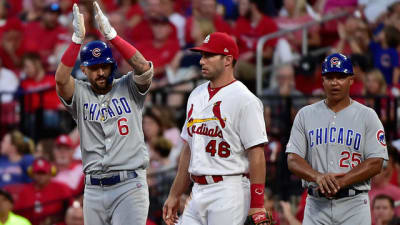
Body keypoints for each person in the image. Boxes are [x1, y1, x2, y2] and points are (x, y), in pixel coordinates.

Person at [55, 2, 153, 225]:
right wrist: (75, 41)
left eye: (105, 66)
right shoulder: (80, 93)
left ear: (112, 66)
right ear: (84, 70)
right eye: (94, 67)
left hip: (129, 185)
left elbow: (144, 67)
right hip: (93, 189)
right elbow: (61, 80)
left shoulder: (128, 86)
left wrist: (113, 36)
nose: (100, 72)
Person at [162, 32, 271, 225]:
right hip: (197, 191)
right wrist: (174, 194)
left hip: (229, 189)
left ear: (228, 60)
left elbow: (257, 153)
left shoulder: (245, 100)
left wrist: (257, 204)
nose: (202, 61)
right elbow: (189, 148)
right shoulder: (196, 94)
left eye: (209, 55)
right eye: (202, 56)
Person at [286, 53, 389, 225]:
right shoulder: (305, 114)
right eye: (329, 77)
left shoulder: (367, 115)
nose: (335, 82)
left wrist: (342, 181)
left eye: (341, 77)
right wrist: (318, 177)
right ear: (322, 81)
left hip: (354, 205)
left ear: (351, 80)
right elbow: (292, 159)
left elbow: (376, 161)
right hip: (316, 206)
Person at [14, 157, 72, 225]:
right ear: (32, 173)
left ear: (51, 173)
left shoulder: (61, 188)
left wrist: (55, 219)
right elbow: (17, 214)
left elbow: (71, 209)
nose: (40, 176)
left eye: (43, 173)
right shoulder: (24, 191)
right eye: (38, 173)